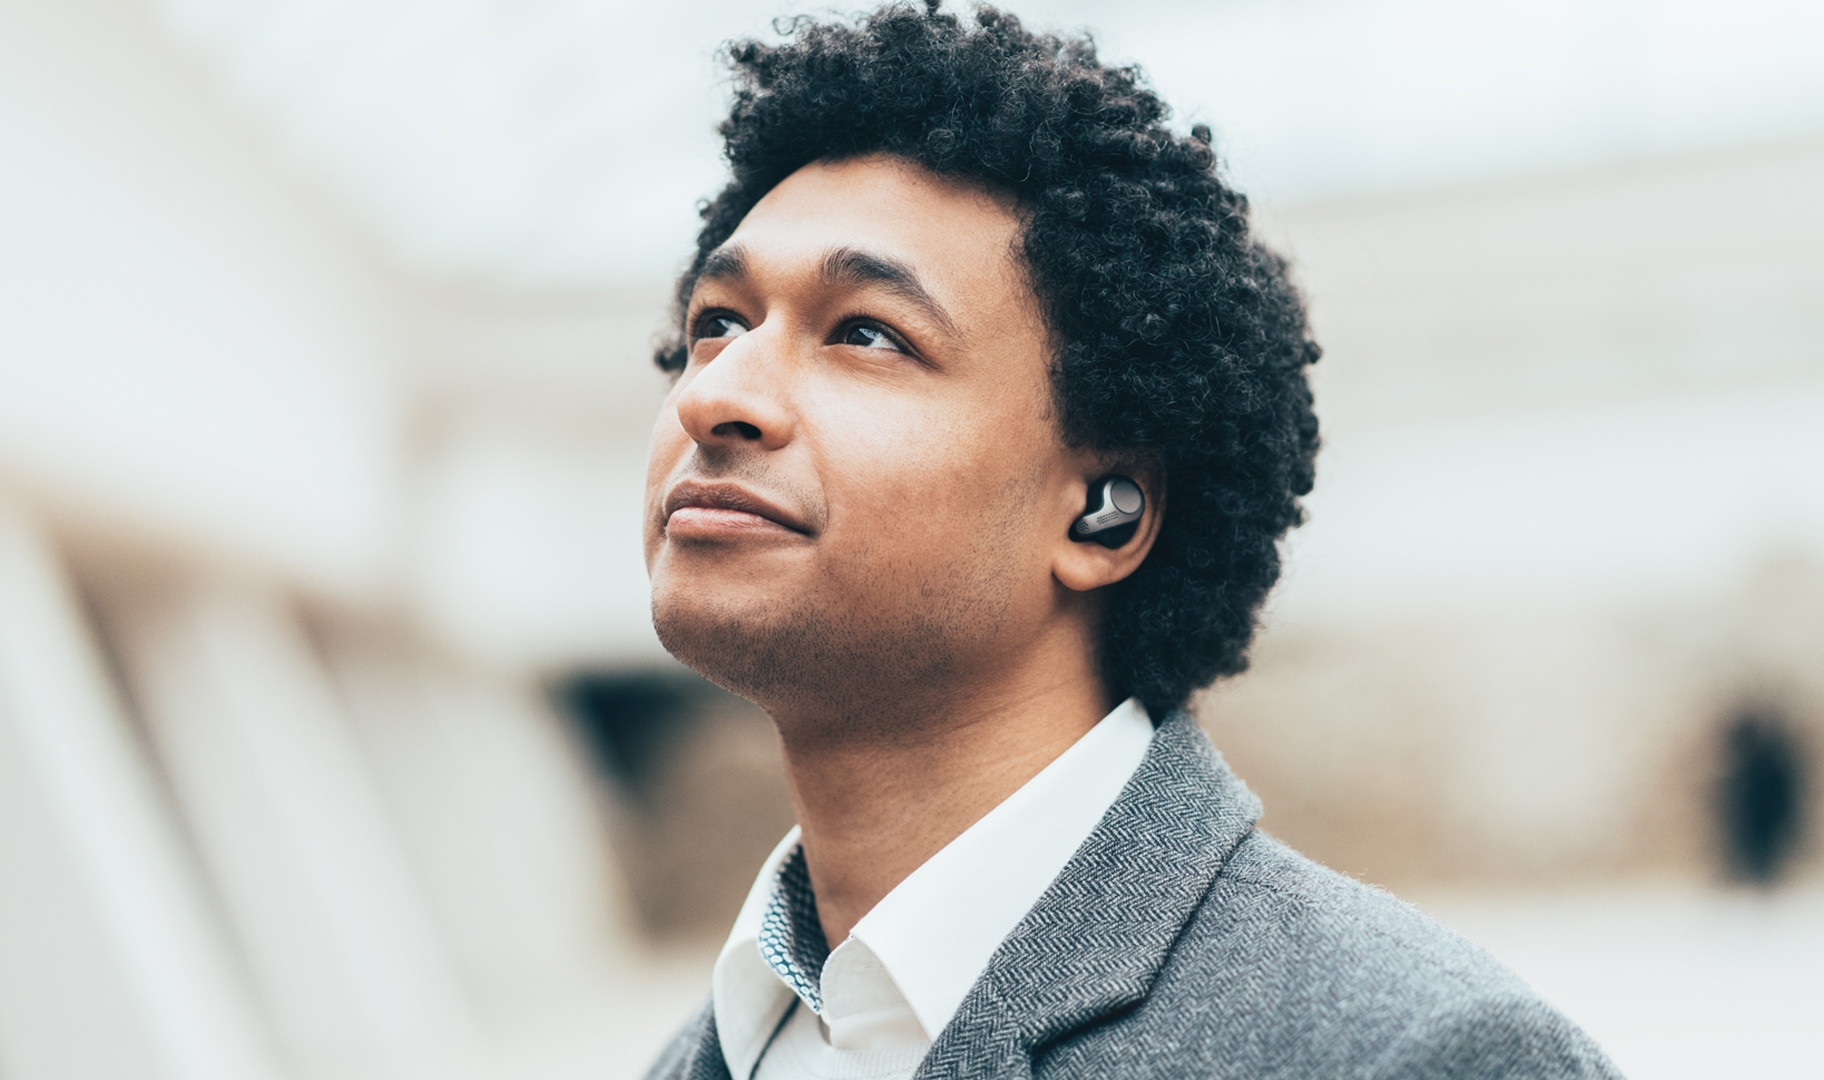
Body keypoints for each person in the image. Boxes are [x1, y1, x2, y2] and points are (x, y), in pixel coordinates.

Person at [641, 4, 1621, 1077]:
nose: (716, 394)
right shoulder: (707, 1053)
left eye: (867, 333)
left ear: (1105, 511)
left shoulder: (1414, 1055)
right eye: (717, 323)